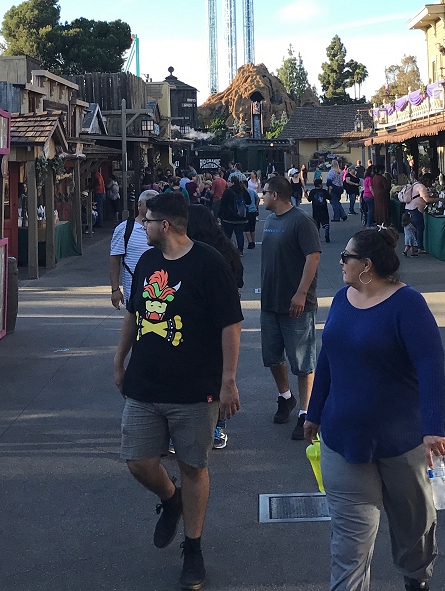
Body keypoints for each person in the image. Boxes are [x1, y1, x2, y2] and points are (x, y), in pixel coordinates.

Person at [304, 226, 445, 591]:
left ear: (366, 265)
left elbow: (430, 363)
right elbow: (329, 360)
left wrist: (432, 426)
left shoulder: (407, 304)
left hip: (402, 443)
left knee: (413, 528)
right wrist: (314, 411)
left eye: (346, 257)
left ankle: (416, 580)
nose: (340, 262)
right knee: (348, 546)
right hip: (343, 440)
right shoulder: (340, 299)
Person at [114, 192, 243, 591]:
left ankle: (193, 548)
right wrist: (120, 360)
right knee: (137, 460)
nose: (143, 224)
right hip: (146, 382)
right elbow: (135, 313)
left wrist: (228, 380)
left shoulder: (208, 264)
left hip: (194, 388)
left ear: (164, 225)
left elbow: (230, 324)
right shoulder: (148, 262)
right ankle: (171, 500)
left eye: (148, 219)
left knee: (193, 466)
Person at [259, 175, 322, 440]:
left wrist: (301, 293)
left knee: (303, 363)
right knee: (272, 357)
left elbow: (313, 256)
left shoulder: (301, 221)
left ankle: (306, 413)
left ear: (275, 195)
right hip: (270, 303)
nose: (261, 196)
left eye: (264, 192)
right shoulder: (270, 220)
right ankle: (285, 397)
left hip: (296, 304)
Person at [186, 204, 245, 451]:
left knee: (196, 376)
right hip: (223, 323)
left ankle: (206, 425)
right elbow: (239, 283)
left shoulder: (197, 255)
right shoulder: (227, 251)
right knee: (218, 375)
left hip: (202, 324)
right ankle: (217, 426)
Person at [109, 190, 159, 308]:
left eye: (157, 203)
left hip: (159, 290)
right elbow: (115, 259)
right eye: (149, 202)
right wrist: (115, 289)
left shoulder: (163, 228)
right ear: (139, 204)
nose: (153, 206)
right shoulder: (125, 229)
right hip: (134, 291)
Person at [399, 174, 433, 257]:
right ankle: (420, 247)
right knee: (419, 228)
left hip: (408, 208)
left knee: (411, 230)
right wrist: (439, 199)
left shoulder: (415, 184)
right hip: (416, 209)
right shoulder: (421, 187)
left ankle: (412, 249)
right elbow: (427, 199)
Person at [219, 174, 249, 254]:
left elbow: (223, 204)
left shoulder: (228, 191)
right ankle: (240, 250)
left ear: (232, 182)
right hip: (242, 216)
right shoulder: (243, 190)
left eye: (229, 181)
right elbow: (249, 201)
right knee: (239, 234)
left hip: (228, 217)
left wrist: (219, 215)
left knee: (228, 235)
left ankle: (228, 250)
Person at [309, 178, 332, 244]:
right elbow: (329, 197)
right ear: (319, 185)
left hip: (316, 210)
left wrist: (306, 194)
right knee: (326, 222)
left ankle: (317, 237)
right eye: (321, 184)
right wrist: (329, 190)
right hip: (324, 209)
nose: (322, 185)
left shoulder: (312, 192)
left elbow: (309, 199)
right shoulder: (324, 191)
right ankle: (326, 232)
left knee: (316, 224)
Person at [245, 173, 261, 249]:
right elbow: (258, 198)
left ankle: (250, 242)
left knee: (247, 228)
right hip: (253, 210)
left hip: (247, 211)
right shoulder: (252, 192)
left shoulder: (243, 193)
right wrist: (256, 206)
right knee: (252, 228)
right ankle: (253, 241)